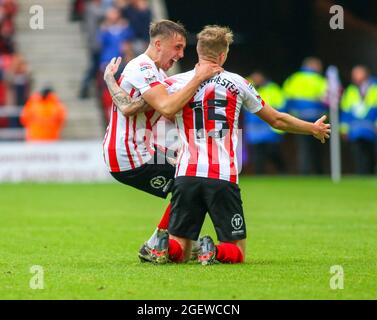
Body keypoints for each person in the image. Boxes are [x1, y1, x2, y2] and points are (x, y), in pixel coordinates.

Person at [141, 25, 330, 265]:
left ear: (198, 51)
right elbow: (277, 119)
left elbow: (146, 105)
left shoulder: (176, 83)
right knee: (236, 251)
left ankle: (162, 247)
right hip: (222, 176)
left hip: (186, 174)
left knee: (181, 250)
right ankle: (214, 252)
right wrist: (312, 128)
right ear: (223, 55)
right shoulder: (238, 83)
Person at [102, 20, 222, 263]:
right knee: (192, 184)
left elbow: (149, 110)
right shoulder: (142, 67)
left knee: (191, 179)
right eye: (177, 47)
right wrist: (198, 78)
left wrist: (176, 149)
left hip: (140, 149)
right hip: (128, 154)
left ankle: (180, 242)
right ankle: (159, 243)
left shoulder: (157, 73)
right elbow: (166, 106)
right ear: (158, 44)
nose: (180, 54)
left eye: (183, 49)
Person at [283, 57, 328, 174]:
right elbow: (327, 101)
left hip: (298, 119)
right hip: (317, 119)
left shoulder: (293, 79)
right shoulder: (320, 80)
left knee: (303, 147)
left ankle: (304, 172)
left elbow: (286, 100)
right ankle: (319, 172)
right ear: (313, 66)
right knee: (318, 146)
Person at [243, 71, 286, 174]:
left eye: (257, 78)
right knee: (257, 153)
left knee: (273, 151)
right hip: (254, 127)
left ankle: (282, 171)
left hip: (269, 126)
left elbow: (281, 105)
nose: (255, 80)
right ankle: (259, 174)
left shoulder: (273, 89)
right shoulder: (249, 89)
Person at [340, 65, 377, 174]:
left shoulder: (375, 88)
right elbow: (345, 112)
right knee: (359, 157)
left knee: (372, 155)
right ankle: (362, 176)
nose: (355, 76)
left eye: (358, 73)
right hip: (356, 130)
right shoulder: (350, 91)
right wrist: (344, 129)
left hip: (372, 129)